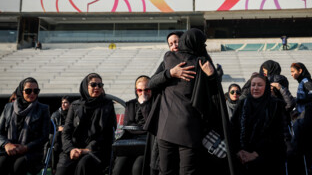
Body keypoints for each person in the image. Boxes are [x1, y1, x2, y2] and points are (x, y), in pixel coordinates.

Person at [145, 28, 235, 175]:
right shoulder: (203, 62)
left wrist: (170, 73)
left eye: (176, 42)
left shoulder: (169, 58)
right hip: (190, 131)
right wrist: (212, 75)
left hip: (165, 129)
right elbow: (214, 95)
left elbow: (151, 84)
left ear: (183, 41)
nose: (174, 45)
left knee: (166, 171)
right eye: (171, 43)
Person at [55, 73, 116, 175]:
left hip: (97, 150)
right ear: (85, 86)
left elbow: (107, 134)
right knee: (63, 168)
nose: (97, 87)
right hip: (73, 148)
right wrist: (71, 149)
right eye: (93, 85)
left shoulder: (107, 106)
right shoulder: (75, 105)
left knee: (84, 164)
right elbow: (66, 131)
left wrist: (87, 150)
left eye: (100, 85)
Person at [231, 73, 286, 175]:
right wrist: (239, 151)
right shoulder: (242, 103)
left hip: (267, 156)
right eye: (253, 85)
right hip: (241, 155)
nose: (255, 88)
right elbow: (233, 129)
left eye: (259, 85)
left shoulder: (275, 105)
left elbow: (276, 135)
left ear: (266, 87)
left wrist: (255, 154)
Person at [0, 77, 50, 175]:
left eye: (36, 91)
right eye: (28, 91)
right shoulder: (8, 107)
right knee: (2, 163)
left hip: (31, 151)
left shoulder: (43, 109)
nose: (32, 94)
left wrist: (26, 147)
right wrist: (6, 144)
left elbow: (44, 137)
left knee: (18, 165)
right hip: (9, 149)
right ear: (21, 91)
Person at [112, 75, 153, 175]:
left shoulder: (156, 103)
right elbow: (128, 126)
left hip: (148, 143)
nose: (143, 93)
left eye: (147, 90)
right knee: (118, 167)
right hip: (131, 142)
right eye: (140, 90)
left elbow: (151, 124)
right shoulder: (130, 104)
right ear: (136, 91)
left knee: (138, 167)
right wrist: (142, 128)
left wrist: (144, 105)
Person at [51, 96, 71, 173]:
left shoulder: (73, 114)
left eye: (65, 103)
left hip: (69, 136)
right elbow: (50, 127)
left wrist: (65, 129)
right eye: (62, 103)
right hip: (57, 138)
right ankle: (54, 167)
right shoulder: (56, 114)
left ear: (70, 104)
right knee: (57, 138)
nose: (63, 105)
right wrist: (57, 128)